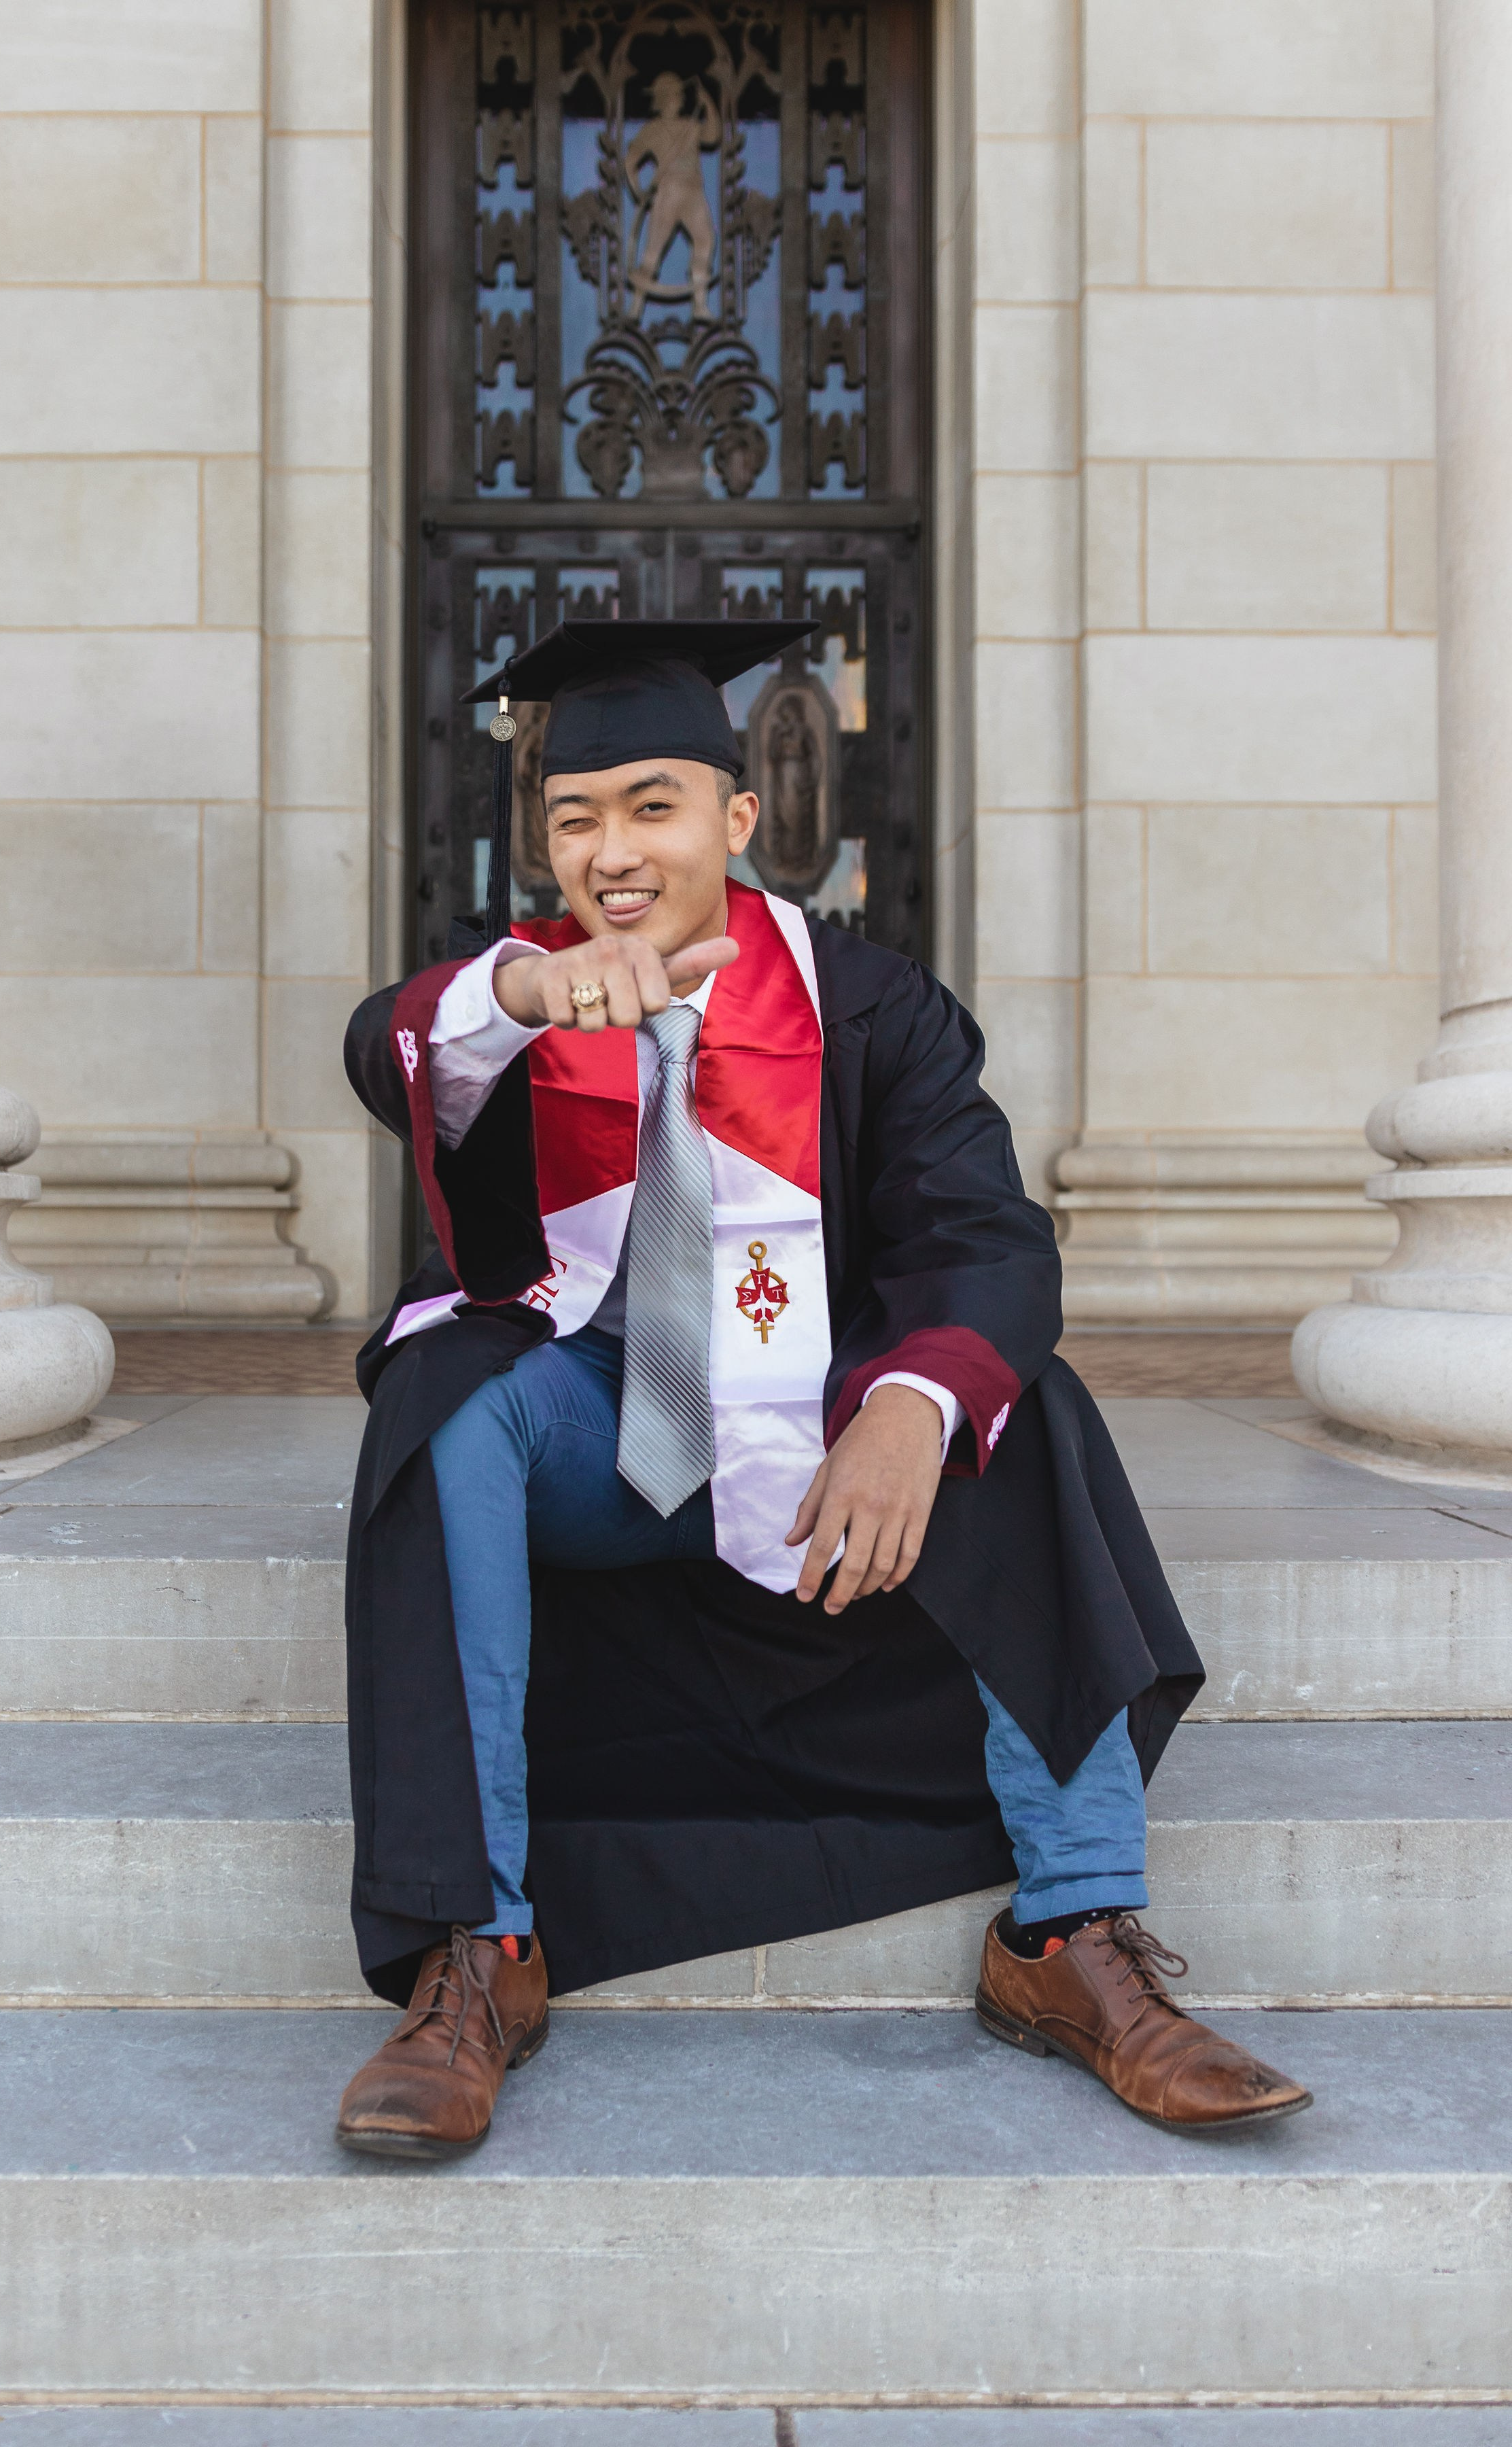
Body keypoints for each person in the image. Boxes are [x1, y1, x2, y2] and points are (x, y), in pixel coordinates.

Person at [335, 619, 1312, 2160]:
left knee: (1014, 1396)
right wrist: (522, 1001)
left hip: (810, 1458)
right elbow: (387, 1048)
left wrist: (910, 1404)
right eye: (574, 816)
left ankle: (1071, 1935)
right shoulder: (517, 1006)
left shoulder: (874, 1012)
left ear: (738, 815)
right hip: (607, 1437)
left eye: (652, 805)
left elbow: (984, 1238)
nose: (611, 850)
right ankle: (480, 1949)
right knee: (449, 1406)